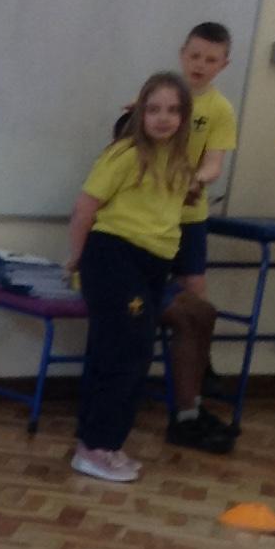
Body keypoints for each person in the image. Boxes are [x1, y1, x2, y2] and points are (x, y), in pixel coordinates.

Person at [66, 70, 197, 485]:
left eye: (172, 110)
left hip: (152, 264)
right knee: (127, 351)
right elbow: (84, 209)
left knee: (130, 351)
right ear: (140, 113)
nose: (163, 118)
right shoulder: (124, 155)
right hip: (113, 256)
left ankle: (104, 443)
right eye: (153, 109)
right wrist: (77, 260)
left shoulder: (179, 161)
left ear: (184, 116)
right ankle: (95, 446)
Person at [160, 21, 238, 453]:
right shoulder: (163, 96)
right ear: (182, 54)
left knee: (196, 291)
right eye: (194, 56)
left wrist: (196, 179)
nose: (200, 65)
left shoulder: (220, 109)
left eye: (210, 59)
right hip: (152, 215)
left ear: (223, 65)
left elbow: (214, 164)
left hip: (189, 214)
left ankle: (199, 373)